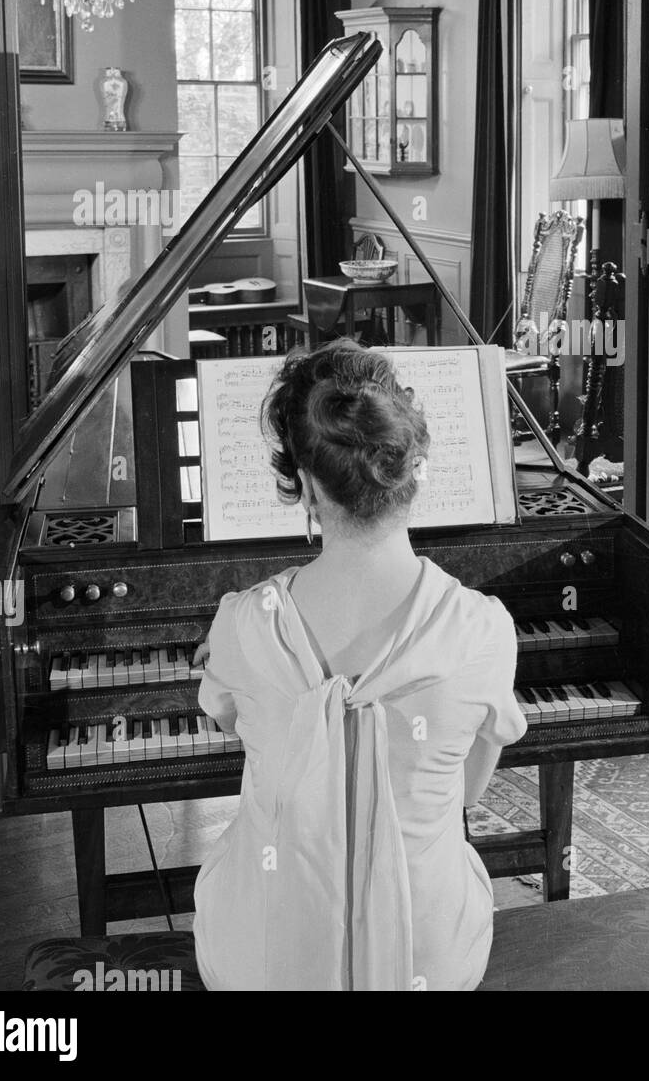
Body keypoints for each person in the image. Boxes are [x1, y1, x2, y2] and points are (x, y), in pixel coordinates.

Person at [193, 339, 526, 990]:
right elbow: (465, 795)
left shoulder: (240, 621)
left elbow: (237, 730)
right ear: (415, 462)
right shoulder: (483, 627)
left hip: (266, 962)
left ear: (307, 484)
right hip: (423, 959)